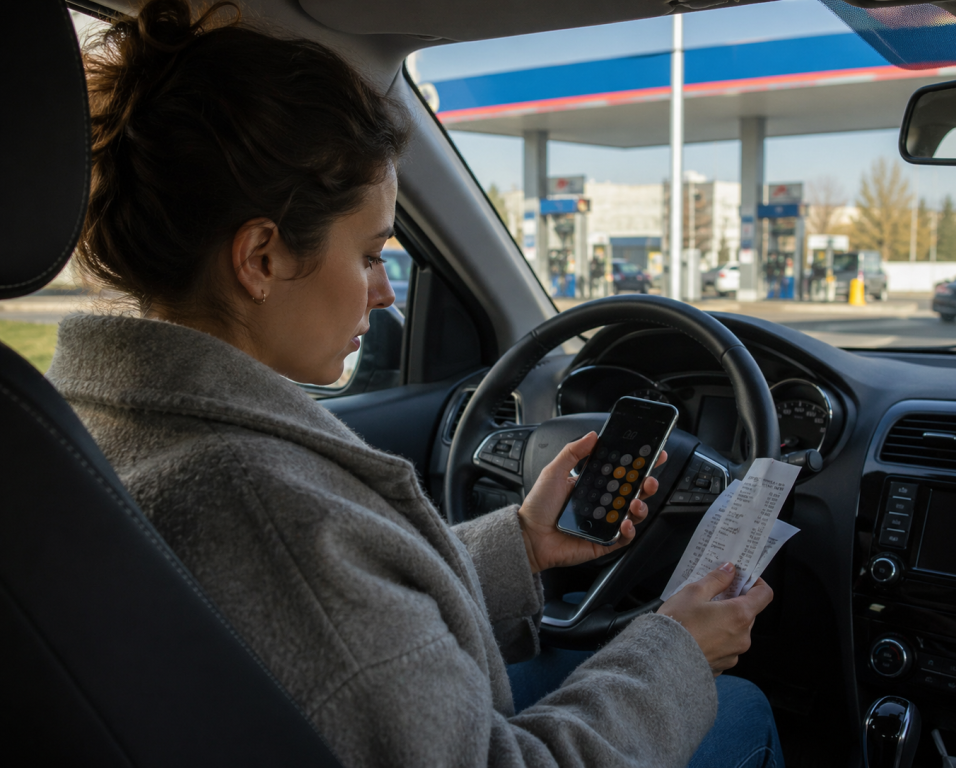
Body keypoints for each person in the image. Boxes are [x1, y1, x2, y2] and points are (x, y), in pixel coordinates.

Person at [49, 1, 782, 765]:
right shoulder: (264, 509)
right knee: (741, 708)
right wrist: (676, 651)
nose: (384, 293)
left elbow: (342, 632)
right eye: (370, 255)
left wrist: (522, 547)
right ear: (262, 258)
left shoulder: (100, 428)